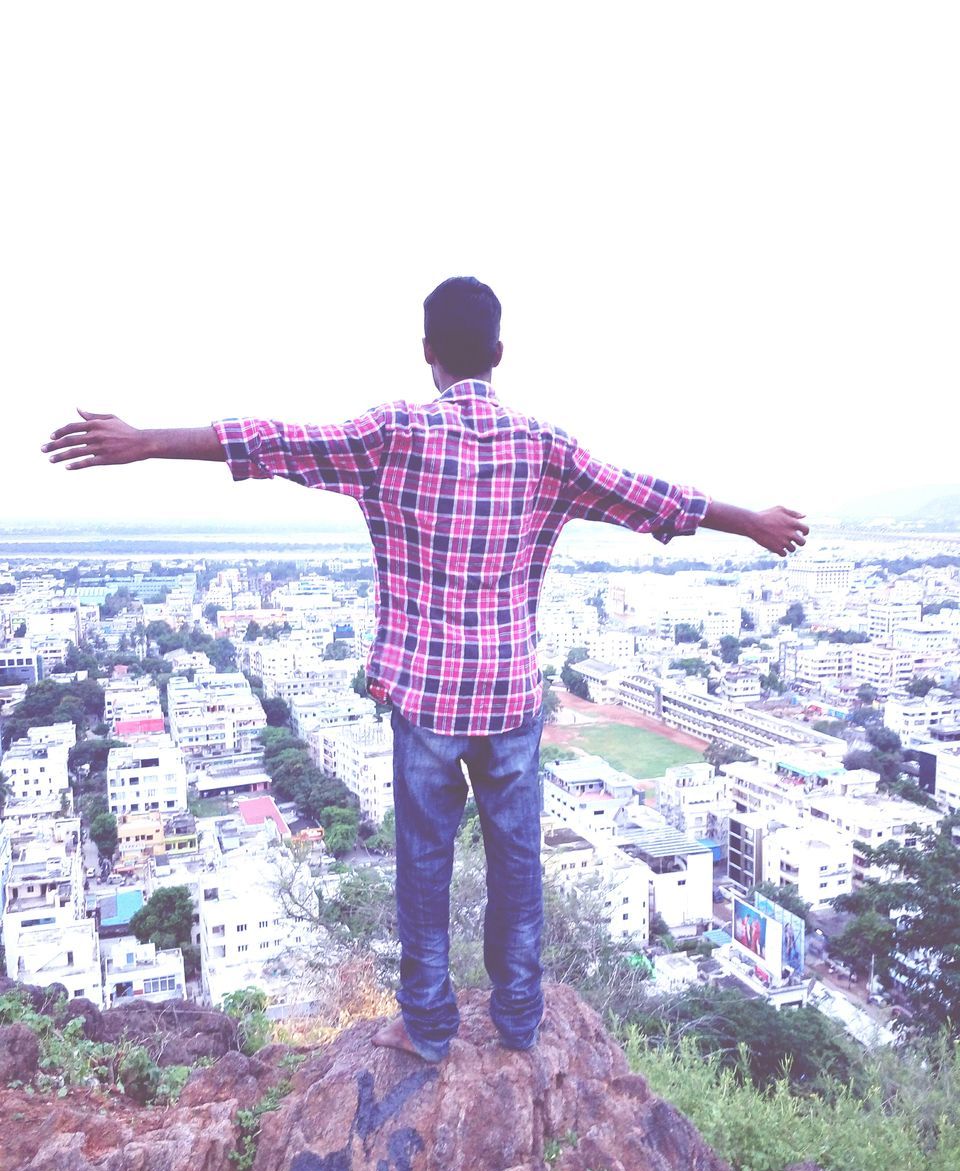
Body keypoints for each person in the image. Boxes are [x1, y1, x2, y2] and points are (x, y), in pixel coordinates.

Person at [43, 275, 809, 1062]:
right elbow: (650, 496)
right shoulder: (545, 447)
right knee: (517, 867)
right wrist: (748, 520)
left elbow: (272, 441)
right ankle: (519, 1022)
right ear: (500, 354)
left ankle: (431, 1028)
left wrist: (145, 442)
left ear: (427, 353)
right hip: (510, 697)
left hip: (426, 700)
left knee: (423, 867)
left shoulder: (393, 433)